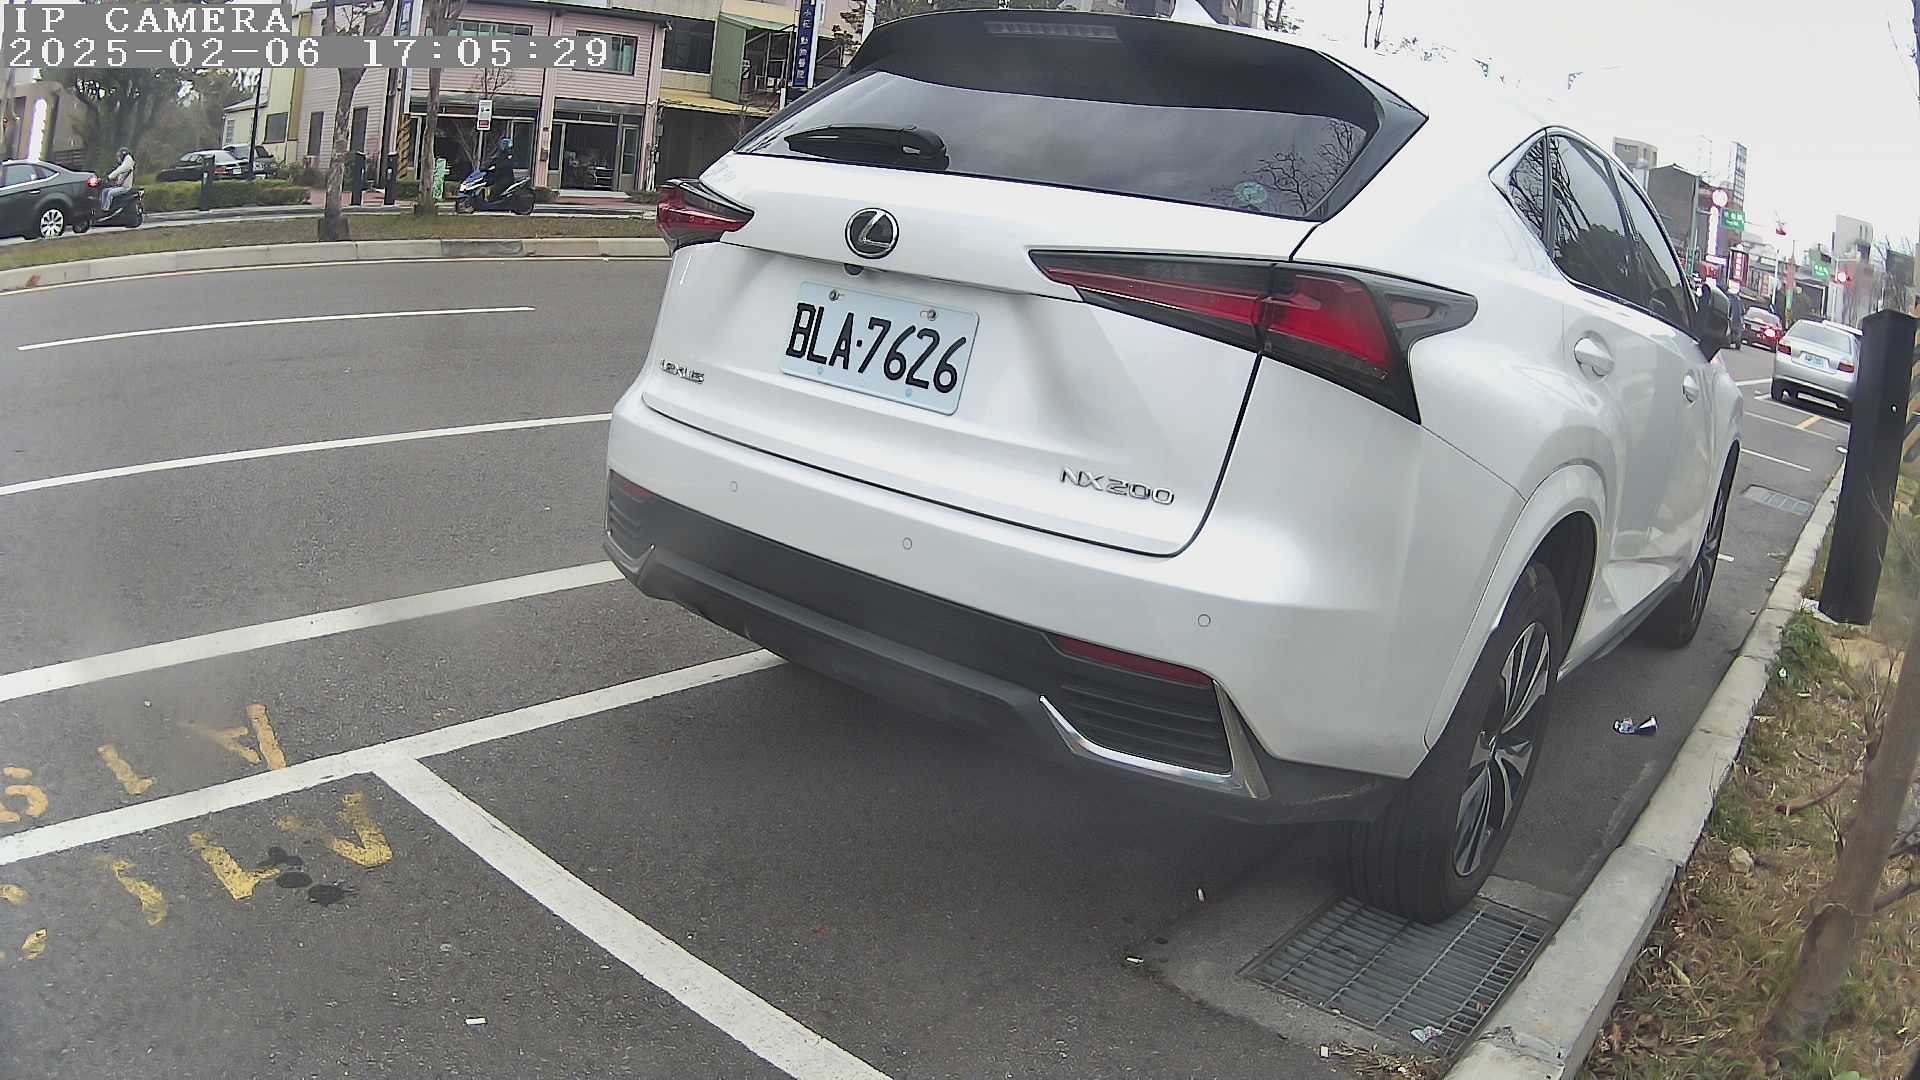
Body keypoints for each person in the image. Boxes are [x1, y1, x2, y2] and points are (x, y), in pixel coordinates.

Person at [100, 147, 135, 217]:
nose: (118, 158)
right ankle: (102, 208)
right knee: (104, 191)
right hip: (120, 186)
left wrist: (110, 177)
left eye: (119, 156)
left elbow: (119, 170)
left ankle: (106, 211)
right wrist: (105, 176)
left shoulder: (127, 164)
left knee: (110, 193)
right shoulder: (124, 163)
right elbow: (116, 170)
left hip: (125, 187)